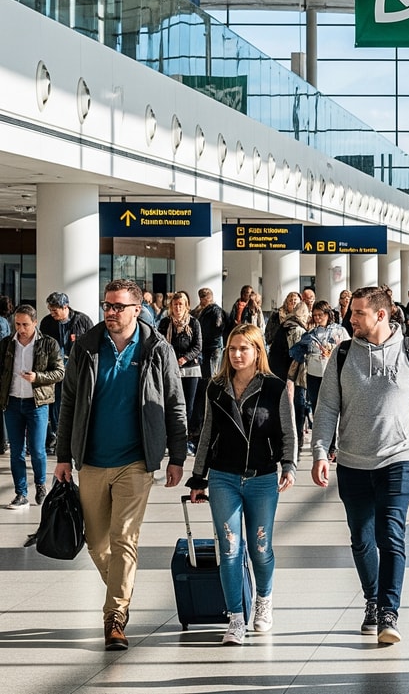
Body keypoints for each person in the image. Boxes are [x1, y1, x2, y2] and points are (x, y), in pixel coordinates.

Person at [54, 279, 188, 650]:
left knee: (124, 538)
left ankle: (115, 616)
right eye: (106, 306)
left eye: (117, 306)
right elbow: (68, 404)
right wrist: (63, 455)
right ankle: (122, 585)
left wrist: (177, 457)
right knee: (97, 544)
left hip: (136, 460)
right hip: (92, 460)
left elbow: (175, 405)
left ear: (137, 309)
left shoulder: (156, 349)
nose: (110, 312)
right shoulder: (86, 347)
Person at [311, 286, 409, 646]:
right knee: (361, 539)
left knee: (391, 534)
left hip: (399, 457)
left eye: (358, 314)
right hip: (353, 461)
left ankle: (388, 610)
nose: (350, 319)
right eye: (351, 313)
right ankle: (372, 598)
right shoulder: (341, 355)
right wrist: (320, 451)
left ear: (381, 315)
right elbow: (326, 408)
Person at [186, 324, 298, 645]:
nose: (236, 355)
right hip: (224, 478)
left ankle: (263, 599)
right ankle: (236, 617)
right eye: (232, 349)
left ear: (257, 352)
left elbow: (288, 432)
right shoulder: (216, 388)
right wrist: (198, 477)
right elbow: (207, 434)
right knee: (230, 548)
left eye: (243, 349)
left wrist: (288, 466)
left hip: (262, 478)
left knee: (260, 549)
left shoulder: (275, 388)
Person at [3, 305, 64, 507]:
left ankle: (40, 486)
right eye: (18, 324)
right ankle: (21, 493)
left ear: (35, 323)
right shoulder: (6, 344)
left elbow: (59, 372)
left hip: (36, 404)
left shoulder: (48, 344)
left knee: (37, 450)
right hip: (12, 403)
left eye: (25, 324)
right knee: (16, 451)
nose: (21, 329)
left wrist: (38, 377)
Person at [39, 291, 93, 453]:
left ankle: (76, 436)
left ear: (65, 307)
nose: (52, 314)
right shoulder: (47, 322)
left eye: (55, 310)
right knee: (56, 405)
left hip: (76, 369)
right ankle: (56, 436)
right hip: (55, 370)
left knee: (76, 402)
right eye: (50, 310)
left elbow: (91, 344)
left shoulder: (82, 321)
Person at [294, 301, 349, 437]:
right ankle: (320, 438)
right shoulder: (311, 333)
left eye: (320, 315)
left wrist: (333, 353)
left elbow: (348, 349)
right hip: (313, 373)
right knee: (316, 406)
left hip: (331, 374)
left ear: (327, 314)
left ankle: (331, 444)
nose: (318, 318)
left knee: (331, 407)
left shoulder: (339, 330)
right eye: (315, 315)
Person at [157, 292, 204, 449]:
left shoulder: (194, 323)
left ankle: (186, 438)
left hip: (190, 370)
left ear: (186, 306)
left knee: (187, 406)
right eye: (175, 304)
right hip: (170, 369)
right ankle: (169, 438)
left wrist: (184, 359)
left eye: (180, 304)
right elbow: (160, 343)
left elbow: (198, 346)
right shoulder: (165, 323)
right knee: (170, 403)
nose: (177, 308)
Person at [195, 287, 228, 378]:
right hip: (210, 345)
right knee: (209, 372)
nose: (201, 300)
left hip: (213, 346)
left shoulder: (214, 310)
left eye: (202, 298)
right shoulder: (205, 310)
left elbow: (218, 325)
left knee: (212, 373)